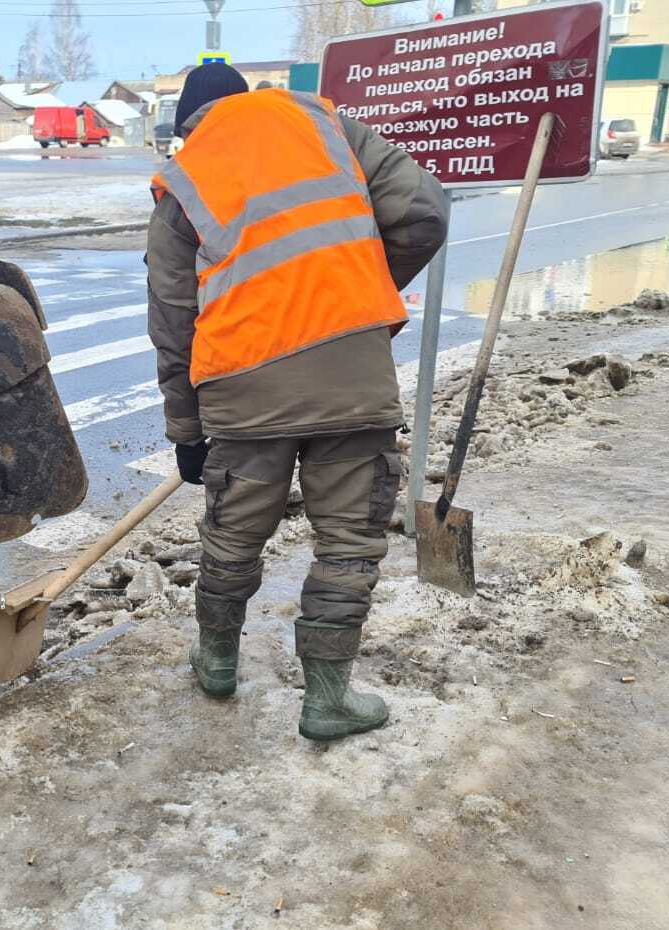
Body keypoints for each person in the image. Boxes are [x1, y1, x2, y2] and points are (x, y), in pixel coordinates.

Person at [146, 63, 448, 740]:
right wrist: (353, 302)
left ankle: (217, 661)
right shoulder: (328, 128)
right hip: (352, 375)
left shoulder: (184, 180)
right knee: (349, 539)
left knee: (232, 532)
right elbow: (425, 212)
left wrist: (186, 432)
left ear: (188, 123)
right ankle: (327, 699)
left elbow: (172, 321)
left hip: (244, 386)